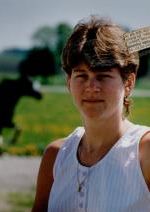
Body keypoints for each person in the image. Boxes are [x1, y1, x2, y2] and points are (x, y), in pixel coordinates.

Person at [32, 16, 150, 211]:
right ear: (69, 82)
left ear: (128, 83)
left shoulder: (144, 153)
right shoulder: (56, 156)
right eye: (81, 75)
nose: (91, 87)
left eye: (103, 76)